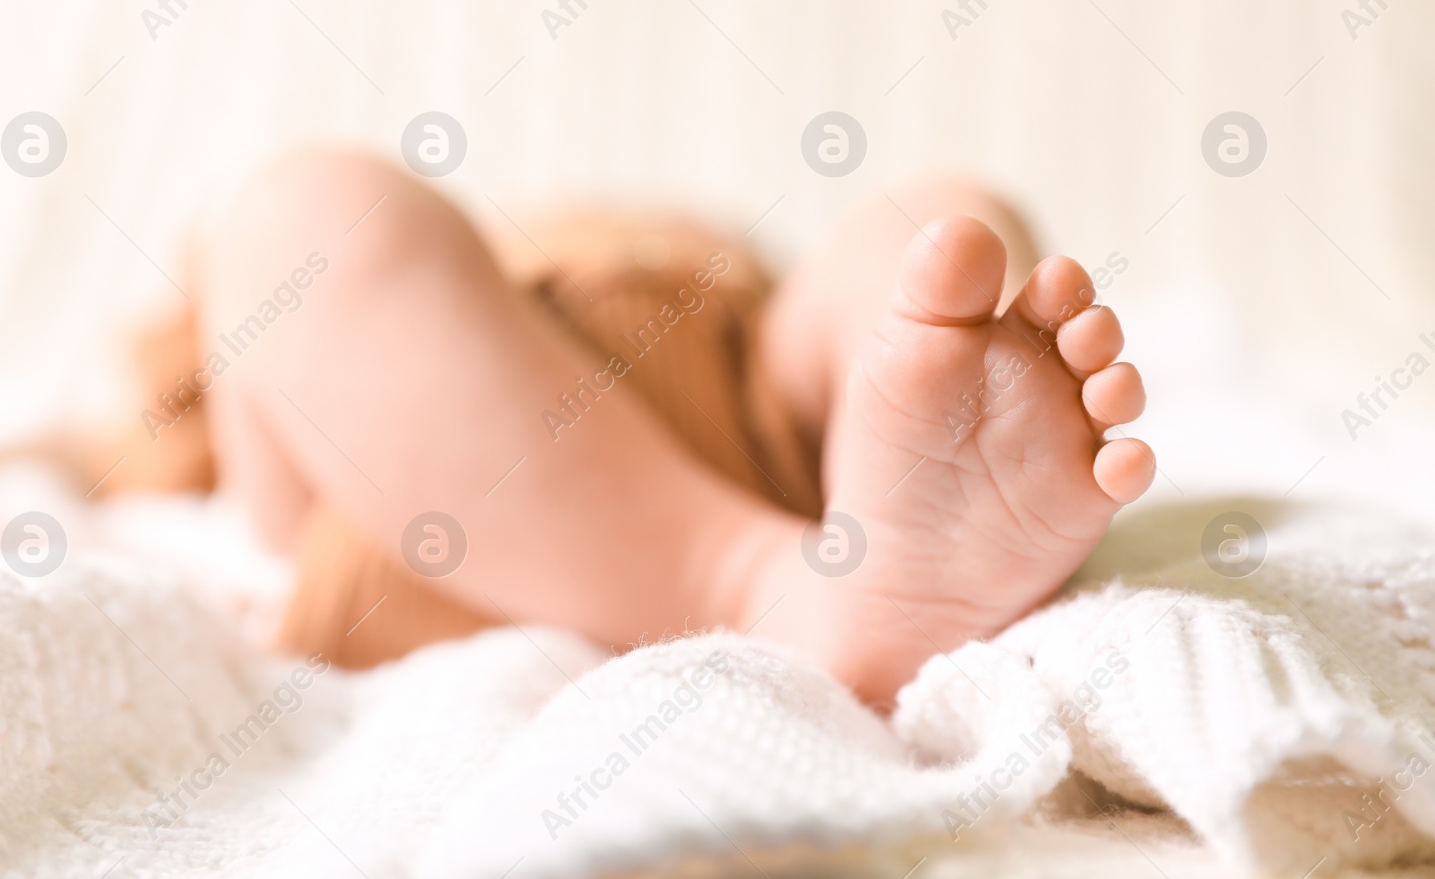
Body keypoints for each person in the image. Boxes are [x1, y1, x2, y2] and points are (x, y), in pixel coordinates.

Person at [185, 149, 1152, 709]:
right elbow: (269, 513)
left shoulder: (708, 277)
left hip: (769, 418)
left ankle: (934, 419)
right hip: (473, 497)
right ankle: (771, 587)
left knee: (933, 217)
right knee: (297, 217)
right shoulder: (223, 362)